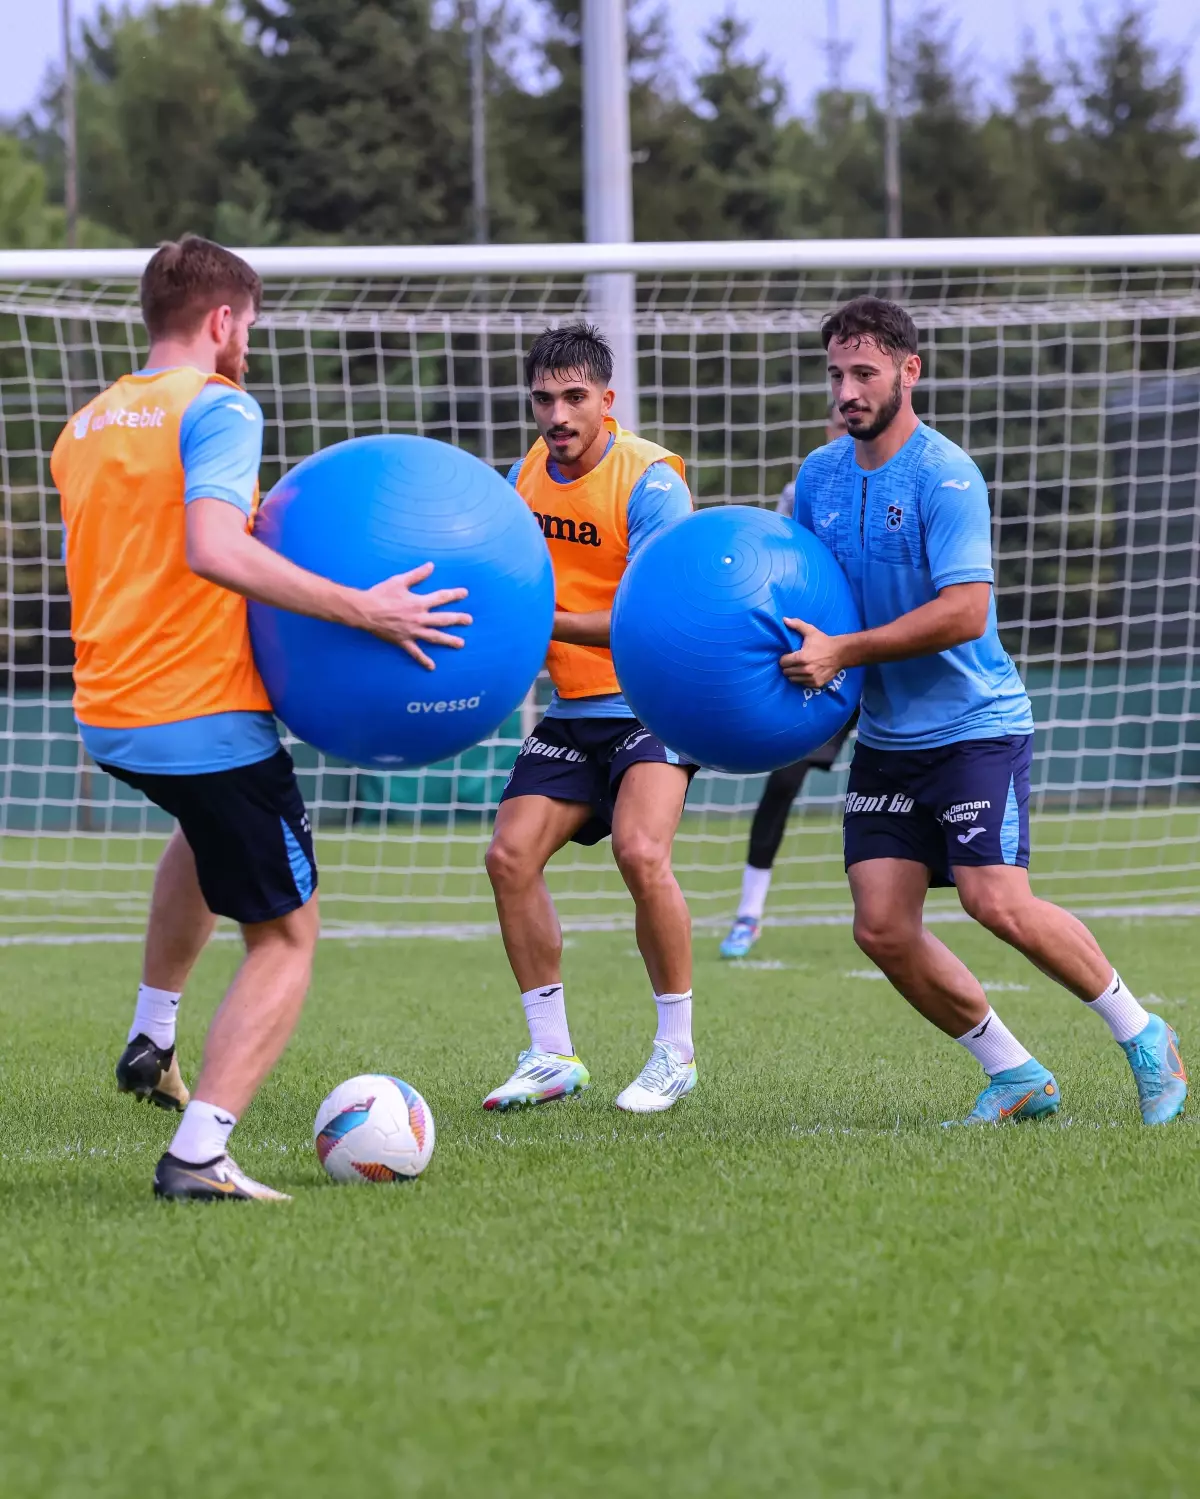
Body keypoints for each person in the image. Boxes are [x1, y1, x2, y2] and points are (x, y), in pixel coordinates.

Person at [52, 235, 470, 1199]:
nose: (250, 345)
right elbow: (210, 548)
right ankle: (199, 1153)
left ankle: (153, 1037)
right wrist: (367, 607)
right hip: (200, 718)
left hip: (109, 713)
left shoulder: (86, 425)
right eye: (251, 325)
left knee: (203, 840)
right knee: (285, 936)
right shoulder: (220, 405)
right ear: (222, 319)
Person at [781, 295, 1187, 1125]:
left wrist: (843, 651)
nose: (847, 390)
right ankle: (1016, 1074)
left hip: (976, 726)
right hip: (888, 739)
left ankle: (1145, 1035)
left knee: (994, 900)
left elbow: (967, 611)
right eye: (836, 375)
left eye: (864, 372)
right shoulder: (817, 477)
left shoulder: (945, 474)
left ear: (908, 370)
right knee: (881, 928)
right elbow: (790, 582)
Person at [483, 322, 698, 1114]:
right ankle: (550, 1054)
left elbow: (651, 617)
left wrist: (533, 621)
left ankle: (675, 1054)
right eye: (544, 398)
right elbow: (506, 583)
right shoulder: (526, 474)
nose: (558, 414)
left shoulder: (652, 483)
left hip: (652, 698)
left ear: (608, 400)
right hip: (575, 709)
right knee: (508, 857)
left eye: (575, 397)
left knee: (642, 853)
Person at [720, 402, 855, 959]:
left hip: (887, 654)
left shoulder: (903, 487)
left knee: (899, 780)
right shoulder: (804, 491)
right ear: (828, 431)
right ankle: (749, 914)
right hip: (824, 660)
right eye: (839, 427)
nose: (846, 434)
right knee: (783, 783)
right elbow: (782, 568)